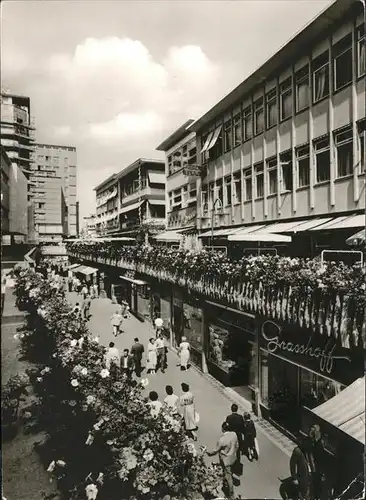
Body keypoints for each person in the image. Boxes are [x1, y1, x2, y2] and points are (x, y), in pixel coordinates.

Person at [205, 421, 239, 500]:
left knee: (228, 476)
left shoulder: (222, 440)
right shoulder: (234, 434)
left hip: (225, 460)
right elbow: (237, 445)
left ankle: (231, 494)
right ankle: (225, 483)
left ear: (223, 429)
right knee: (228, 472)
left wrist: (207, 452)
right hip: (233, 457)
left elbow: (215, 451)